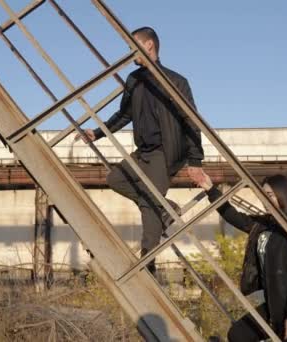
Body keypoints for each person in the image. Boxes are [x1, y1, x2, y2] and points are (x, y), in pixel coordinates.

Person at [76, 27, 204, 274]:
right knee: (115, 179)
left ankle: (149, 266)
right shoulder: (134, 80)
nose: (128, 53)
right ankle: (166, 207)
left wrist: (195, 160)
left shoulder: (176, 81)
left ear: (149, 46)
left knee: (149, 212)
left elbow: (191, 121)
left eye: (131, 46)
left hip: (163, 153)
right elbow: (124, 114)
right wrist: (98, 132)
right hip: (142, 152)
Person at [196, 172, 287, 342]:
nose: (264, 200)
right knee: (238, 334)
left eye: (270, 195)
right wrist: (210, 189)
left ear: (284, 195)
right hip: (273, 308)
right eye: (262, 195)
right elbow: (234, 217)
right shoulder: (266, 224)